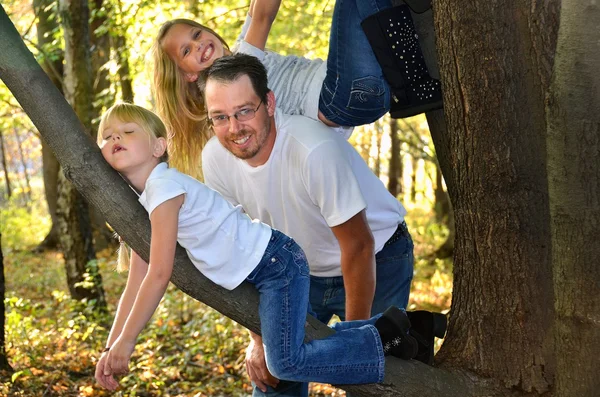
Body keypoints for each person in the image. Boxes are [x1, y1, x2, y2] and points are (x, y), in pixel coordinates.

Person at [93, 102, 427, 391]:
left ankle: (384, 338)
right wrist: (110, 349)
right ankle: (403, 332)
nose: (115, 138)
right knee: (286, 360)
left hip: (275, 264)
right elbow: (136, 280)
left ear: (158, 147)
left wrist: (128, 342)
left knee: (284, 363)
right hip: (268, 267)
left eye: (127, 131)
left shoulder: (164, 187)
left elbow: (159, 274)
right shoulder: (147, 204)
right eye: (107, 136)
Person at [200, 53, 446, 396]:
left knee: (369, 381)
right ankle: (407, 331)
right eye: (220, 117)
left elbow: (359, 247)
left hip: (376, 255)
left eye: (244, 111)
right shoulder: (215, 159)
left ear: (269, 103)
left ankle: (407, 335)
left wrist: (358, 338)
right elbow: (240, 254)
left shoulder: (312, 150)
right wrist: (259, 338)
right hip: (297, 267)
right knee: (274, 376)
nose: (234, 128)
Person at [151, 0, 443, 177]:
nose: (199, 44)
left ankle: (408, 80)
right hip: (340, 97)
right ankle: (412, 87)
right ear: (186, 76)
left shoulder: (241, 52)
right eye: (187, 51)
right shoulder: (236, 76)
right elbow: (264, 13)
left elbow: (254, 10)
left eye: (197, 34)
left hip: (357, 97)